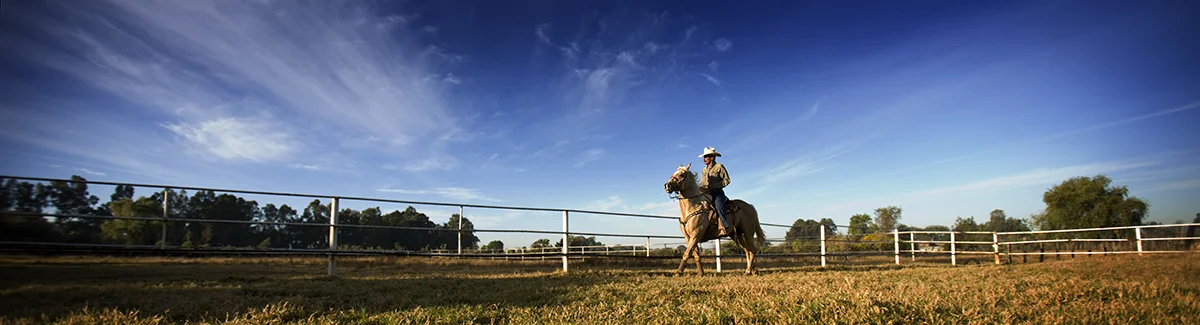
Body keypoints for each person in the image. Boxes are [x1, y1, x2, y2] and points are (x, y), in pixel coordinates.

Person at [698, 147, 733, 237]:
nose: (704, 159)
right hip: (706, 193)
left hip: (717, 193)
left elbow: (727, 180)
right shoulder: (704, 170)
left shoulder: (719, 167)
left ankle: (724, 226)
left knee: (718, 206)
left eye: (706, 157)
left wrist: (714, 186)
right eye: (704, 157)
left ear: (712, 158)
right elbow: (702, 183)